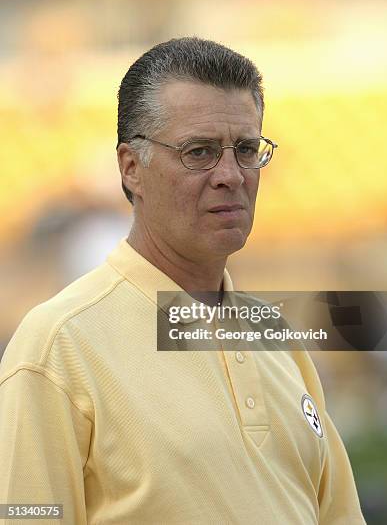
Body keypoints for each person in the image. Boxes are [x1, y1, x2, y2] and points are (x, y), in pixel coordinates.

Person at [0, 38, 366, 524]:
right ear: (131, 168)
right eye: (199, 152)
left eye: (247, 149)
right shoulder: (59, 346)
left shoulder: (277, 340)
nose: (231, 175)